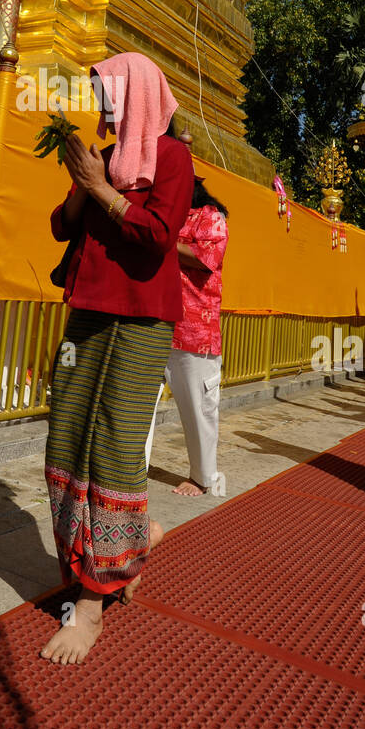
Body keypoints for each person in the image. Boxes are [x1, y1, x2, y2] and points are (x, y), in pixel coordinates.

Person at [40, 51, 194, 664]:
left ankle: (93, 602)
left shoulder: (173, 158)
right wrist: (87, 182)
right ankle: (121, 550)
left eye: (108, 92)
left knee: (114, 444)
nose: (102, 104)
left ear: (140, 95)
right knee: (66, 437)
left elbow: (158, 236)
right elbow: (60, 226)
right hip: (88, 310)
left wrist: (103, 188)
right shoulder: (105, 158)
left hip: (141, 318)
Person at [164, 177, 230, 496]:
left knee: (198, 409)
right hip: (152, 323)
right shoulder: (165, 212)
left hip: (195, 331)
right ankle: (126, 471)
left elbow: (207, 259)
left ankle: (202, 478)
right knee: (137, 405)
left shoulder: (210, 217)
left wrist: (160, 241)